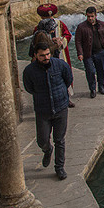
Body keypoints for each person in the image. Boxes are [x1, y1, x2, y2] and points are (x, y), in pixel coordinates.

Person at [23, 43, 73, 180]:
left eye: (47, 54)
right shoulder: (29, 71)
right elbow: (29, 88)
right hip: (43, 110)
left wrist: (62, 94)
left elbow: (68, 79)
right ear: (35, 56)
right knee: (42, 139)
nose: (46, 57)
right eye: (42, 55)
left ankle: (59, 168)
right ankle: (47, 150)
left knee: (60, 140)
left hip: (60, 107)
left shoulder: (60, 65)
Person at [34, 4, 75, 108]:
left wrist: (62, 41)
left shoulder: (59, 24)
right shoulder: (38, 29)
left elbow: (68, 35)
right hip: (46, 57)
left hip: (60, 54)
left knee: (64, 75)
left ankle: (67, 97)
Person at [75, 6, 104, 98]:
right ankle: (92, 89)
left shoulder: (102, 24)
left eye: (92, 16)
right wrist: (80, 53)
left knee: (101, 71)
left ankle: (101, 87)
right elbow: (78, 41)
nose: (90, 18)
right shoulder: (81, 27)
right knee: (90, 71)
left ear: (96, 15)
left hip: (100, 52)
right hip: (87, 54)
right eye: (88, 16)